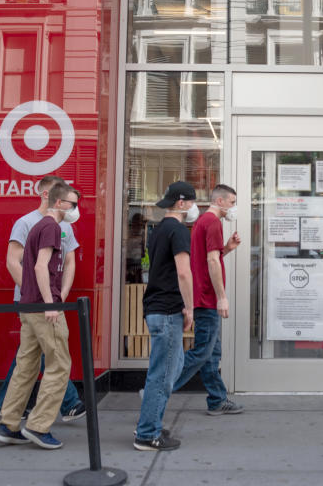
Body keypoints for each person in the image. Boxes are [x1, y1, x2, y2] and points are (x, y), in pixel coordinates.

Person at [0, 183, 80, 450]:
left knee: (26, 365)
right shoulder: (52, 227)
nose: (75, 209)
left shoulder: (38, 226)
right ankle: (38, 426)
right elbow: (42, 266)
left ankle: (9, 424)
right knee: (58, 365)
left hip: (29, 306)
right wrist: (50, 303)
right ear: (58, 202)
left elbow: (30, 265)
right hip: (44, 308)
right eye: (72, 203)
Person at [134, 181, 197, 451]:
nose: (195, 208)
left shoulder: (158, 230)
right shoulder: (179, 231)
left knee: (172, 368)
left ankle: (151, 420)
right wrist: (190, 308)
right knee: (162, 375)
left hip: (156, 308)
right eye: (193, 202)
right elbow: (183, 272)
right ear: (181, 203)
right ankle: (147, 433)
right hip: (169, 309)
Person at [172, 184, 242, 415]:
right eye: (232, 202)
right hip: (207, 298)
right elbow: (212, 263)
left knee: (212, 353)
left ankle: (217, 400)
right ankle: (160, 389)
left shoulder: (203, 222)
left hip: (203, 296)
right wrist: (222, 297)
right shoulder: (212, 223)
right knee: (202, 351)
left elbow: (208, 258)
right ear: (220, 201)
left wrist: (227, 249)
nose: (233, 207)